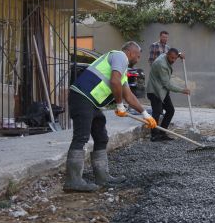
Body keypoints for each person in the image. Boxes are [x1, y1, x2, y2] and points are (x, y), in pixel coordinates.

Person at [65, 41, 157, 192]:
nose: (138, 59)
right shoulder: (120, 56)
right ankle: (72, 181)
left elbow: (129, 95)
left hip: (92, 103)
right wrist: (119, 105)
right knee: (81, 137)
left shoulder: (122, 69)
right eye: (138, 56)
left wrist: (145, 114)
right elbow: (114, 81)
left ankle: (102, 177)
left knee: (101, 138)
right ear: (130, 52)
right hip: (82, 97)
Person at [147, 48, 190, 142]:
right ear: (167, 55)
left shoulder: (167, 55)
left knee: (170, 110)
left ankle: (162, 133)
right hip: (154, 91)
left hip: (163, 90)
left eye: (175, 58)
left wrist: (179, 54)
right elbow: (167, 84)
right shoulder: (161, 65)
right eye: (172, 58)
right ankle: (154, 136)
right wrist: (182, 90)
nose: (173, 60)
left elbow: (172, 51)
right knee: (157, 112)